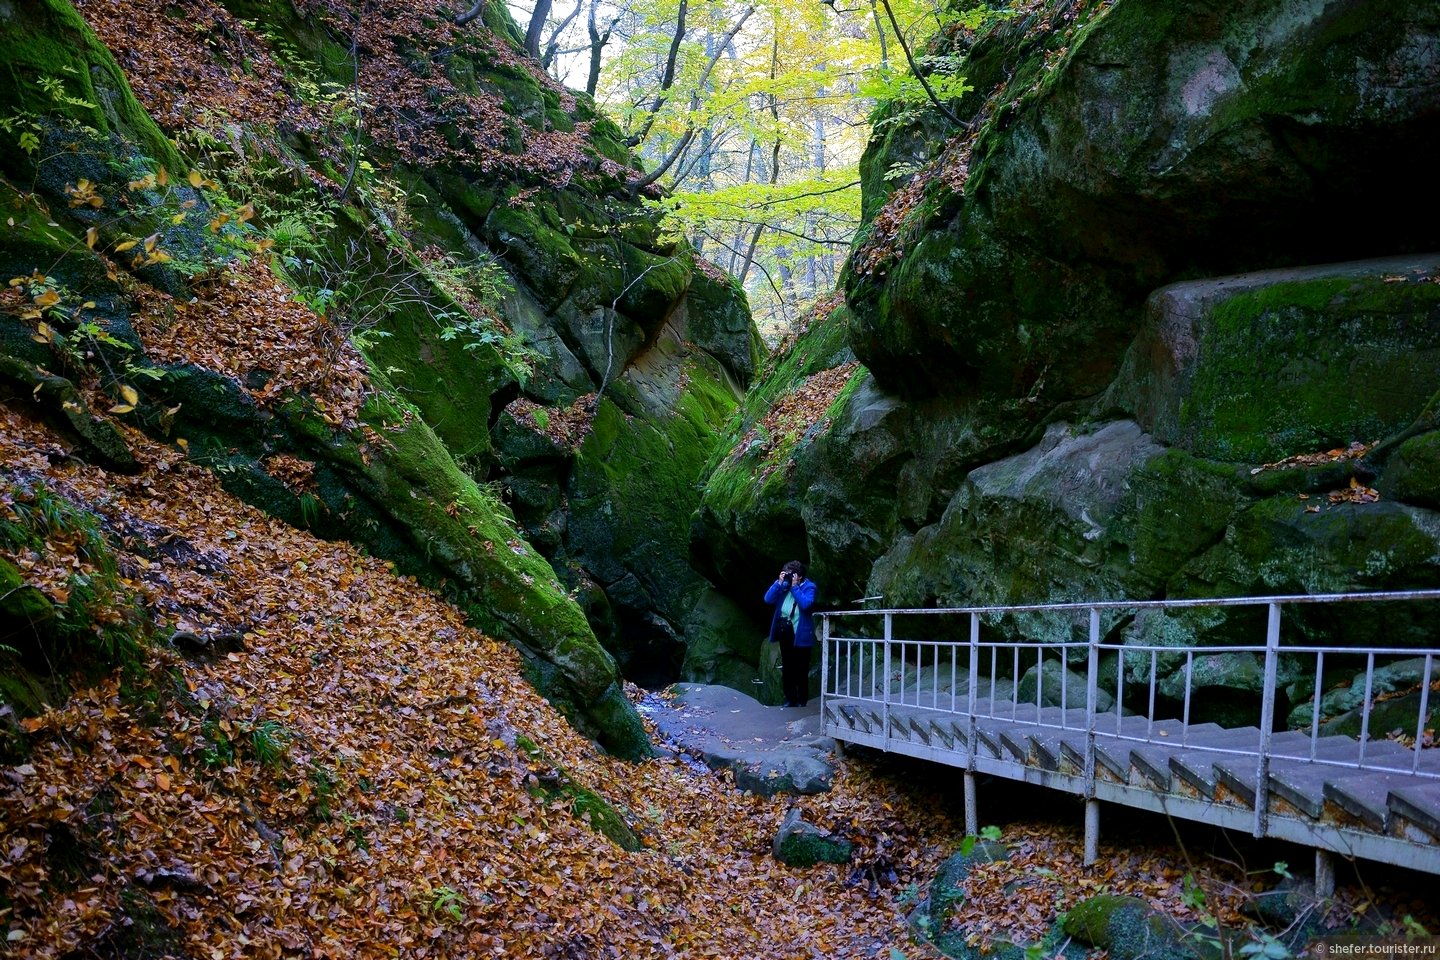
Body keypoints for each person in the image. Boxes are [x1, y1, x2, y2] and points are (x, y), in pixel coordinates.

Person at [764, 561, 817, 708]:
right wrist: (778, 583)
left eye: (789, 573)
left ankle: (802, 700)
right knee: (787, 668)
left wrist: (795, 587)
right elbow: (768, 599)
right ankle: (790, 699)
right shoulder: (784, 587)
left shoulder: (809, 587)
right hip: (785, 633)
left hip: (801, 634)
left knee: (801, 669)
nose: (786, 576)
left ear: (798, 576)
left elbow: (806, 604)